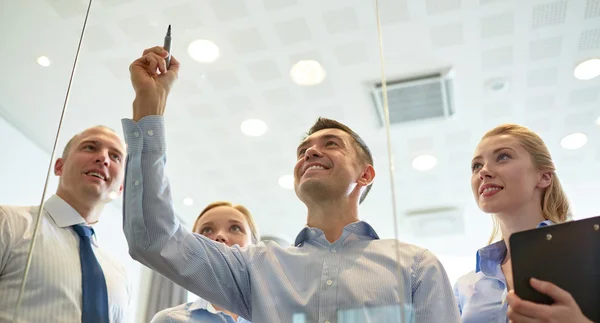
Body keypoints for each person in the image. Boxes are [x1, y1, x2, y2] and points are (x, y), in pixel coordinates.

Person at [120, 46, 460, 323]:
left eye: (331, 144)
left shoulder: (415, 266)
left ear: (366, 175)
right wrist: (149, 109)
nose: (312, 151)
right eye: (303, 150)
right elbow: (154, 239)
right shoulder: (255, 267)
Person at [453, 124, 592, 323]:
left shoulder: (588, 253)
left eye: (502, 157)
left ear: (544, 176)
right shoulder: (465, 287)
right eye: (476, 166)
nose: (483, 171)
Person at [0, 125, 130, 322]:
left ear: (120, 188)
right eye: (90, 147)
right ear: (59, 166)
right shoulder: (8, 223)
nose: (103, 159)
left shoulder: (119, 274)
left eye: (115, 157)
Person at [151, 201, 258, 323]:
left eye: (235, 228)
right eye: (207, 230)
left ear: (255, 246)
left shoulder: (278, 317)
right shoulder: (169, 320)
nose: (220, 236)